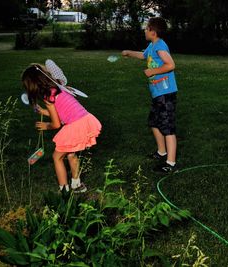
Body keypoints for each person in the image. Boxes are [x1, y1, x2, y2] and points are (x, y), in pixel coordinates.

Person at [21, 63, 102, 192]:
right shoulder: (57, 87)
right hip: (85, 119)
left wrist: (46, 126)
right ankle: (77, 185)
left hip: (76, 125)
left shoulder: (49, 98)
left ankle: (64, 190)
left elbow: (56, 124)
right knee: (71, 154)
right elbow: (63, 111)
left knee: (57, 157)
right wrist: (43, 111)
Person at [122, 17, 178, 173]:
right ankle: (161, 152)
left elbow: (171, 65)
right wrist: (128, 53)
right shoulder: (152, 46)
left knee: (167, 128)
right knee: (154, 123)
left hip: (166, 93)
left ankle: (171, 163)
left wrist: (152, 71)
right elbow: (143, 55)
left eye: (147, 28)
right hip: (158, 94)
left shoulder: (160, 46)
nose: (145, 30)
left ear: (153, 32)